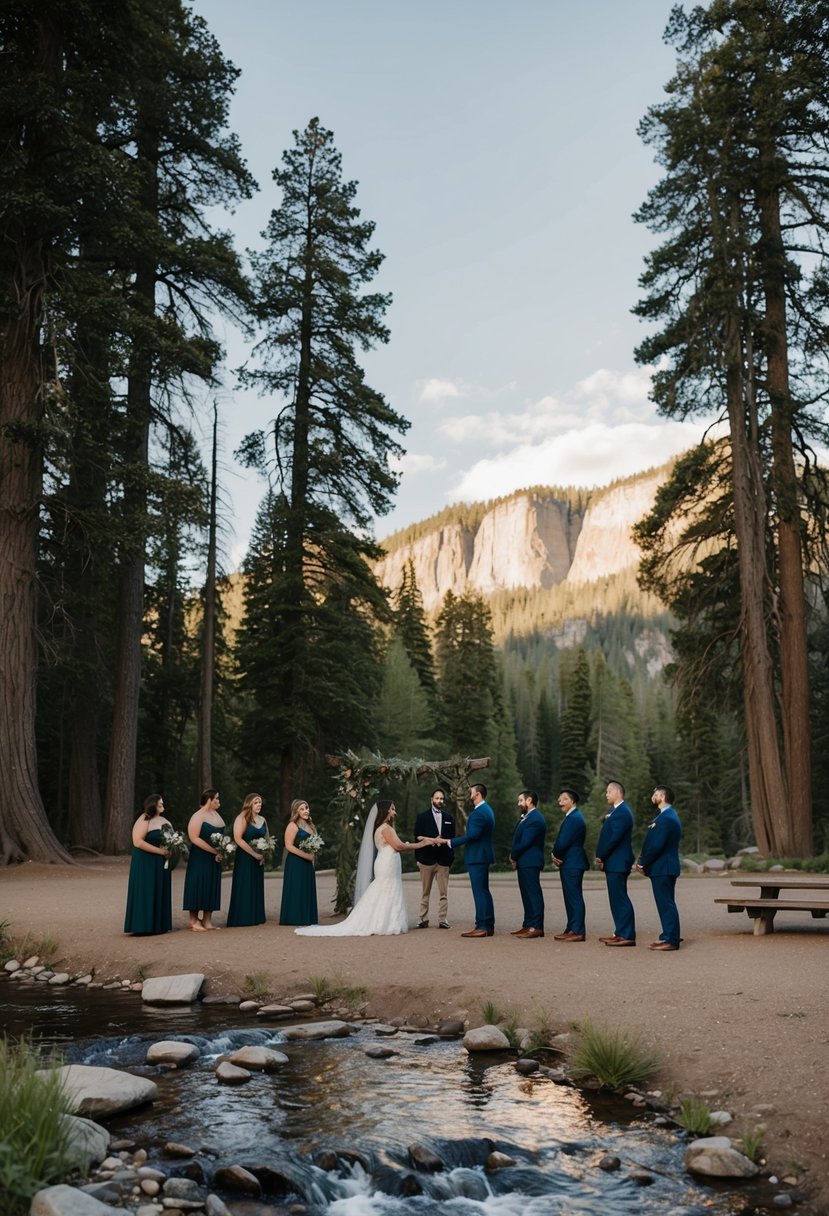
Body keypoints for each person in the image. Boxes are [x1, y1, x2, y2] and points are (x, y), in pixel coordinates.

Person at [295, 800, 433, 937]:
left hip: (386, 862)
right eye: (392, 809)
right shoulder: (386, 829)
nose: (394, 812)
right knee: (386, 888)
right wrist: (421, 844)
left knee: (386, 888)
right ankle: (383, 922)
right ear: (385, 811)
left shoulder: (379, 828)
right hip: (387, 863)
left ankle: (386, 921)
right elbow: (399, 846)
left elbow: (397, 845)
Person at [442, 783, 496, 938]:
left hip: (477, 856)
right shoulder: (487, 810)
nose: (469, 794)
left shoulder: (479, 812)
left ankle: (482, 926)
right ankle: (488, 925)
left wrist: (450, 842)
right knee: (484, 891)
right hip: (482, 855)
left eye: (471, 791)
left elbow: (472, 835)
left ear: (478, 794)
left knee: (479, 892)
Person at [635, 785, 682, 951]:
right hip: (665, 866)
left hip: (664, 867)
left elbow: (656, 845)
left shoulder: (666, 817)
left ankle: (671, 939)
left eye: (655, 794)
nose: (652, 796)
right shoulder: (667, 816)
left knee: (666, 903)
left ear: (662, 796)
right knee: (666, 902)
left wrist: (643, 863)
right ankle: (668, 935)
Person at [123, 794, 173, 935]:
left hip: (160, 862)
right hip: (145, 861)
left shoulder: (165, 821)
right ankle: (142, 925)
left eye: (163, 803)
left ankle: (158, 925)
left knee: (158, 889)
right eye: (160, 804)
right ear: (153, 805)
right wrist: (160, 851)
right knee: (145, 889)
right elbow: (137, 841)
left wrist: (171, 851)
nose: (163, 805)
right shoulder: (145, 818)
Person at [595, 779, 636, 947]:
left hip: (618, 861)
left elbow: (614, 838)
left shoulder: (623, 812)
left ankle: (627, 935)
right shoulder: (615, 811)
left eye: (608, 792)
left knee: (620, 897)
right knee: (615, 898)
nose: (606, 794)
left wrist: (601, 856)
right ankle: (619, 932)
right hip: (613, 861)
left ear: (618, 793)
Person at [182, 788, 225, 931]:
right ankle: (194, 921)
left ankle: (207, 921)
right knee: (197, 883)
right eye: (217, 798)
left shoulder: (217, 815)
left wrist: (223, 849)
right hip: (200, 856)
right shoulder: (198, 816)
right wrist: (213, 851)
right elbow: (194, 838)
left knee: (211, 884)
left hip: (215, 858)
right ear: (209, 800)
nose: (219, 801)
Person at [551, 787, 589, 942]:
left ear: (573, 801)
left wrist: (555, 854)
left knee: (574, 897)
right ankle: (571, 928)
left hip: (572, 862)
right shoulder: (572, 817)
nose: (560, 802)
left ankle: (578, 931)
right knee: (570, 897)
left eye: (564, 799)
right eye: (560, 799)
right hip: (570, 862)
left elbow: (563, 842)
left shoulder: (573, 818)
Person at [414, 788, 454, 929]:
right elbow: (417, 836)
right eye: (437, 798)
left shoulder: (449, 818)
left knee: (444, 893)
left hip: (443, 860)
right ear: (432, 799)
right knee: (425, 892)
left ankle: (443, 919)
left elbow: (452, 839)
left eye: (442, 798)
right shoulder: (422, 817)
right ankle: (423, 919)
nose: (439, 801)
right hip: (426, 859)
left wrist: (449, 857)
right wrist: (432, 840)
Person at [509, 789, 546, 938]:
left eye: (521, 800)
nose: (519, 804)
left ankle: (536, 926)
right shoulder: (526, 817)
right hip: (524, 861)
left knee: (533, 893)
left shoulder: (536, 818)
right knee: (526, 894)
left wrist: (513, 855)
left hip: (530, 861)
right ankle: (528, 924)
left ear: (529, 800)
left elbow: (526, 842)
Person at [227, 793, 268, 927]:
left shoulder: (262, 819)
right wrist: (254, 854)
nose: (259, 805)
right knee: (245, 884)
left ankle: (256, 916)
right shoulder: (242, 817)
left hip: (258, 858)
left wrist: (263, 854)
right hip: (245, 857)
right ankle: (242, 917)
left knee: (256, 885)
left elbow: (267, 839)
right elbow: (238, 839)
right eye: (256, 802)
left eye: (260, 802)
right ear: (249, 803)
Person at [279, 798, 319, 927]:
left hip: (307, 864)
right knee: (296, 888)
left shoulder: (311, 827)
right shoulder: (292, 825)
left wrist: (312, 857)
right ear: (296, 811)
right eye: (302, 809)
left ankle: (306, 916)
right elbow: (288, 846)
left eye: (306, 808)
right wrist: (306, 856)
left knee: (306, 887)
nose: (306, 811)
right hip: (296, 862)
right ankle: (294, 917)